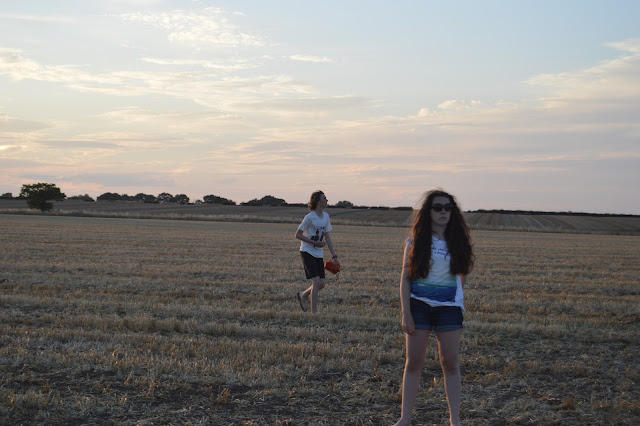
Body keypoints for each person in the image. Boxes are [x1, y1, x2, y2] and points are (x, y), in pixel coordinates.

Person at [395, 189, 474, 426]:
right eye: (437, 207)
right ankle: (405, 419)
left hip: (448, 310)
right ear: (428, 212)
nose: (443, 212)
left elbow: (462, 274)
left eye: (448, 208)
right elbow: (405, 278)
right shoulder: (415, 241)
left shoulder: (459, 241)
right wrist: (406, 312)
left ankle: (455, 421)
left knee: (450, 363)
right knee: (413, 362)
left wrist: (456, 299)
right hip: (418, 307)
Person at [295, 190, 339, 314]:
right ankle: (314, 314)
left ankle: (303, 295)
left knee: (322, 284)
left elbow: (327, 237)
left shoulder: (326, 217)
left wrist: (334, 256)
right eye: (324, 198)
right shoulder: (309, 217)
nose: (327, 200)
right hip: (307, 251)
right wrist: (314, 242)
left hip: (318, 253)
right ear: (318, 201)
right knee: (316, 282)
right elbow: (298, 235)